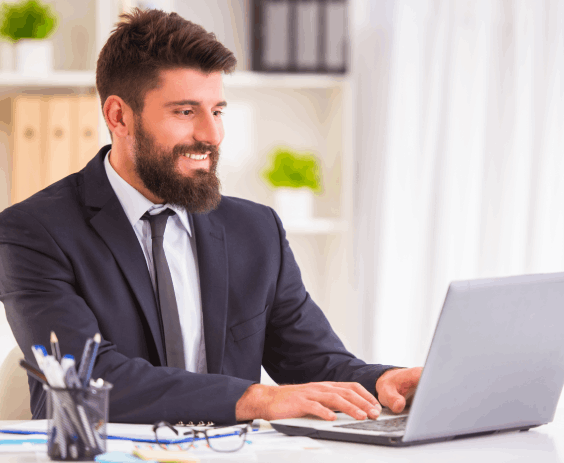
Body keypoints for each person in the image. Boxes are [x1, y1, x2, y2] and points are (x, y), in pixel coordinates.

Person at [0, 8, 421, 424]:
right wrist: (256, 399)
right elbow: (84, 381)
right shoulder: (33, 233)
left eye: (217, 111)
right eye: (185, 112)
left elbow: (315, 365)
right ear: (119, 116)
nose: (212, 134)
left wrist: (384, 379)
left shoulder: (257, 231)